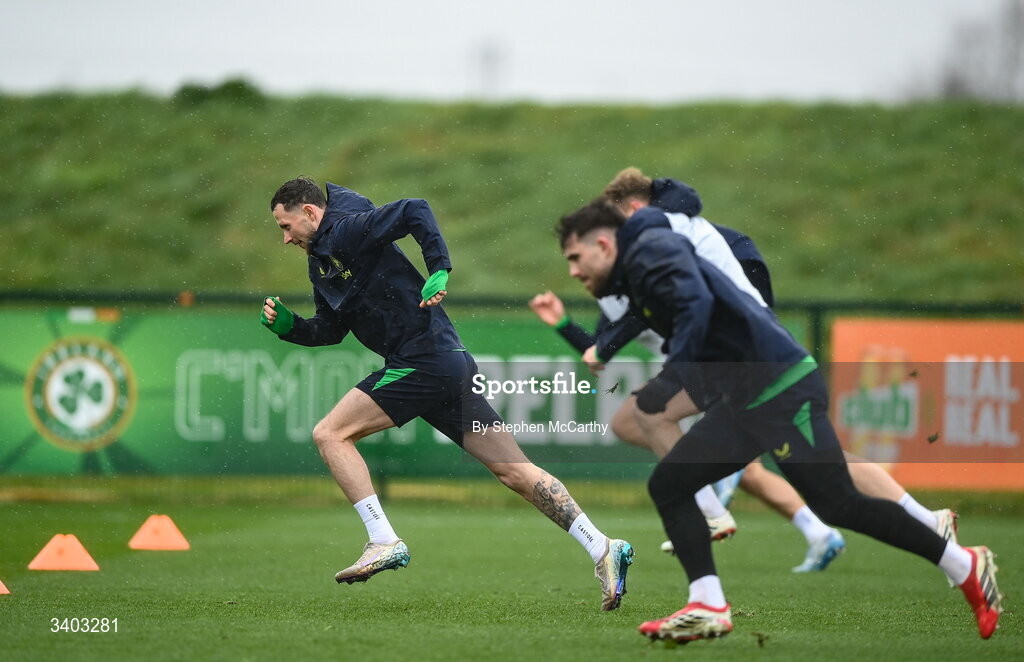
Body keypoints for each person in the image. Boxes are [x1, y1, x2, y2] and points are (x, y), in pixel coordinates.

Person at [554, 199, 1002, 641]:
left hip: (781, 386)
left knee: (838, 503)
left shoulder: (650, 249)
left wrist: (671, 378)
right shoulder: (640, 263)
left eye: (575, 257)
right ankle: (708, 603)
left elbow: (695, 302)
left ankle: (965, 565)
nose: (573, 271)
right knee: (671, 484)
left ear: (603, 242)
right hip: (747, 397)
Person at [260, 177, 633, 610]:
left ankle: (382, 539)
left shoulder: (346, 229)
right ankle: (603, 547)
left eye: (286, 227)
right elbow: (330, 328)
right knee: (515, 470)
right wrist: (292, 329)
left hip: (422, 362)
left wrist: (438, 267)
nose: (285, 239)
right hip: (447, 364)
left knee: (330, 434)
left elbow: (415, 208)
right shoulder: (321, 261)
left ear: (309, 212)